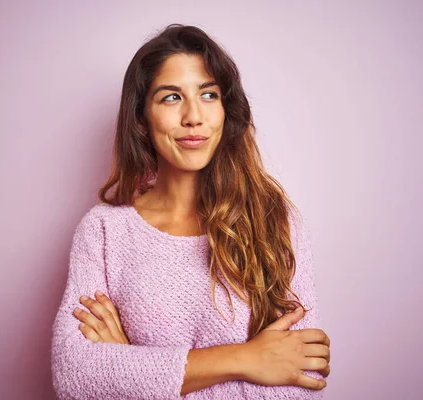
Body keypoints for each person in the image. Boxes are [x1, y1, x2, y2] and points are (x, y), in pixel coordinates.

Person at [51, 24, 331, 399]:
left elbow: (299, 383)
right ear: (141, 118)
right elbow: (75, 377)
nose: (194, 117)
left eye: (208, 94)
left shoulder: (273, 221)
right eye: (171, 98)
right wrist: (245, 358)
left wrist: (130, 366)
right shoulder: (104, 232)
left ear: (225, 110)